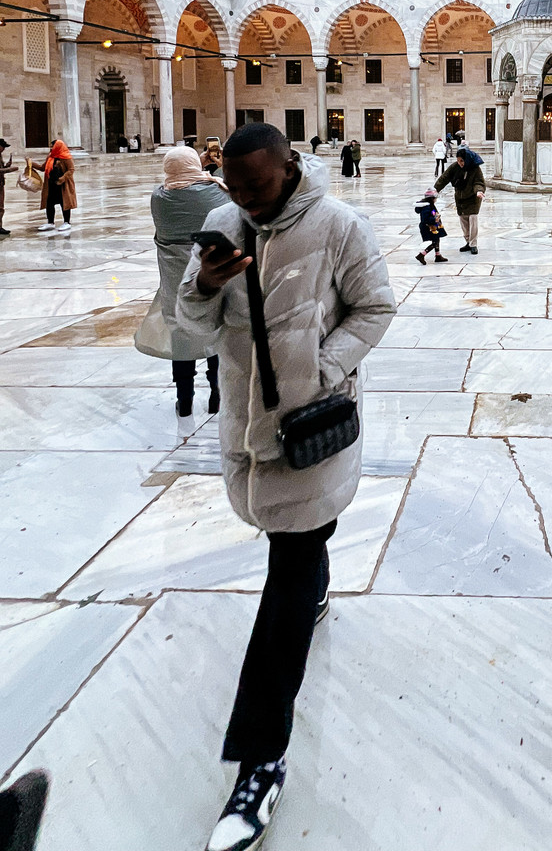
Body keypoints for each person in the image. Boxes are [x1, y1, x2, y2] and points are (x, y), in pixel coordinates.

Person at [176, 123, 396, 851]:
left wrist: (324, 370)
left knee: (288, 578)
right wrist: (206, 284)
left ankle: (260, 760)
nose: (245, 199)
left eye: (258, 186)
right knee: (299, 543)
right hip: (249, 428)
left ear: (290, 166)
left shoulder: (339, 226)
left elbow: (375, 307)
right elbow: (189, 323)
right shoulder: (222, 222)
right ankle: (318, 583)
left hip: (310, 428)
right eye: (234, 187)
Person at [146, 146, 229, 427]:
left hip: (174, 285)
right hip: (210, 279)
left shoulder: (159, 198)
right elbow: (227, 194)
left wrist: (196, 167)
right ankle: (218, 393)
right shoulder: (214, 193)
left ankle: (184, 400)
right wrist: (214, 167)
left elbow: (176, 182)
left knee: (181, 339)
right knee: (216, 334)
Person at [433, 148, 486, 254]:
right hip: (460, 199)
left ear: (467, 159)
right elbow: (444, 178)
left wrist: (479, 191)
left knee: (473, 219)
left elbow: (479, 182)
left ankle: (473, 244)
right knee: (463, 220)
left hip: (473, 198)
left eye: (462, 161)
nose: (460, 163)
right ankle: (468, 242)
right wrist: (435, 189)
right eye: (458, 161)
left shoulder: (475, 168)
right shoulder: (454, 167)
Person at [32, 140, 76, 235]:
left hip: (62, 185)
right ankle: (50, 222)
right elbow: (43, 168)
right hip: (51, 184)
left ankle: (67, 222)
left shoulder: (66, 157)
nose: (51, 148)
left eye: (53, 146)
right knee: (49, 202)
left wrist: (62, 179)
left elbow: (71, 169)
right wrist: (31, 164)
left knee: (64, 202)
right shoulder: (50, 156)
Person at [414, 188, 449, 264]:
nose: (436, 200)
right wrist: (434, 219)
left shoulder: (430, 205)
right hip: (429, 227)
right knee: (434, 242)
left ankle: (438, 255)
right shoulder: (426, 207)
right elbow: (425, 219)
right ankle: (422, 255)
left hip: (433, 226)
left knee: (436, 239)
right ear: (432, 198)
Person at [0, 139, 17, 236]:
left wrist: (7, 165)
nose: (3, 149)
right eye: (3, 147)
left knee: (1, 207)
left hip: (1, 183)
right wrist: (10, 169)